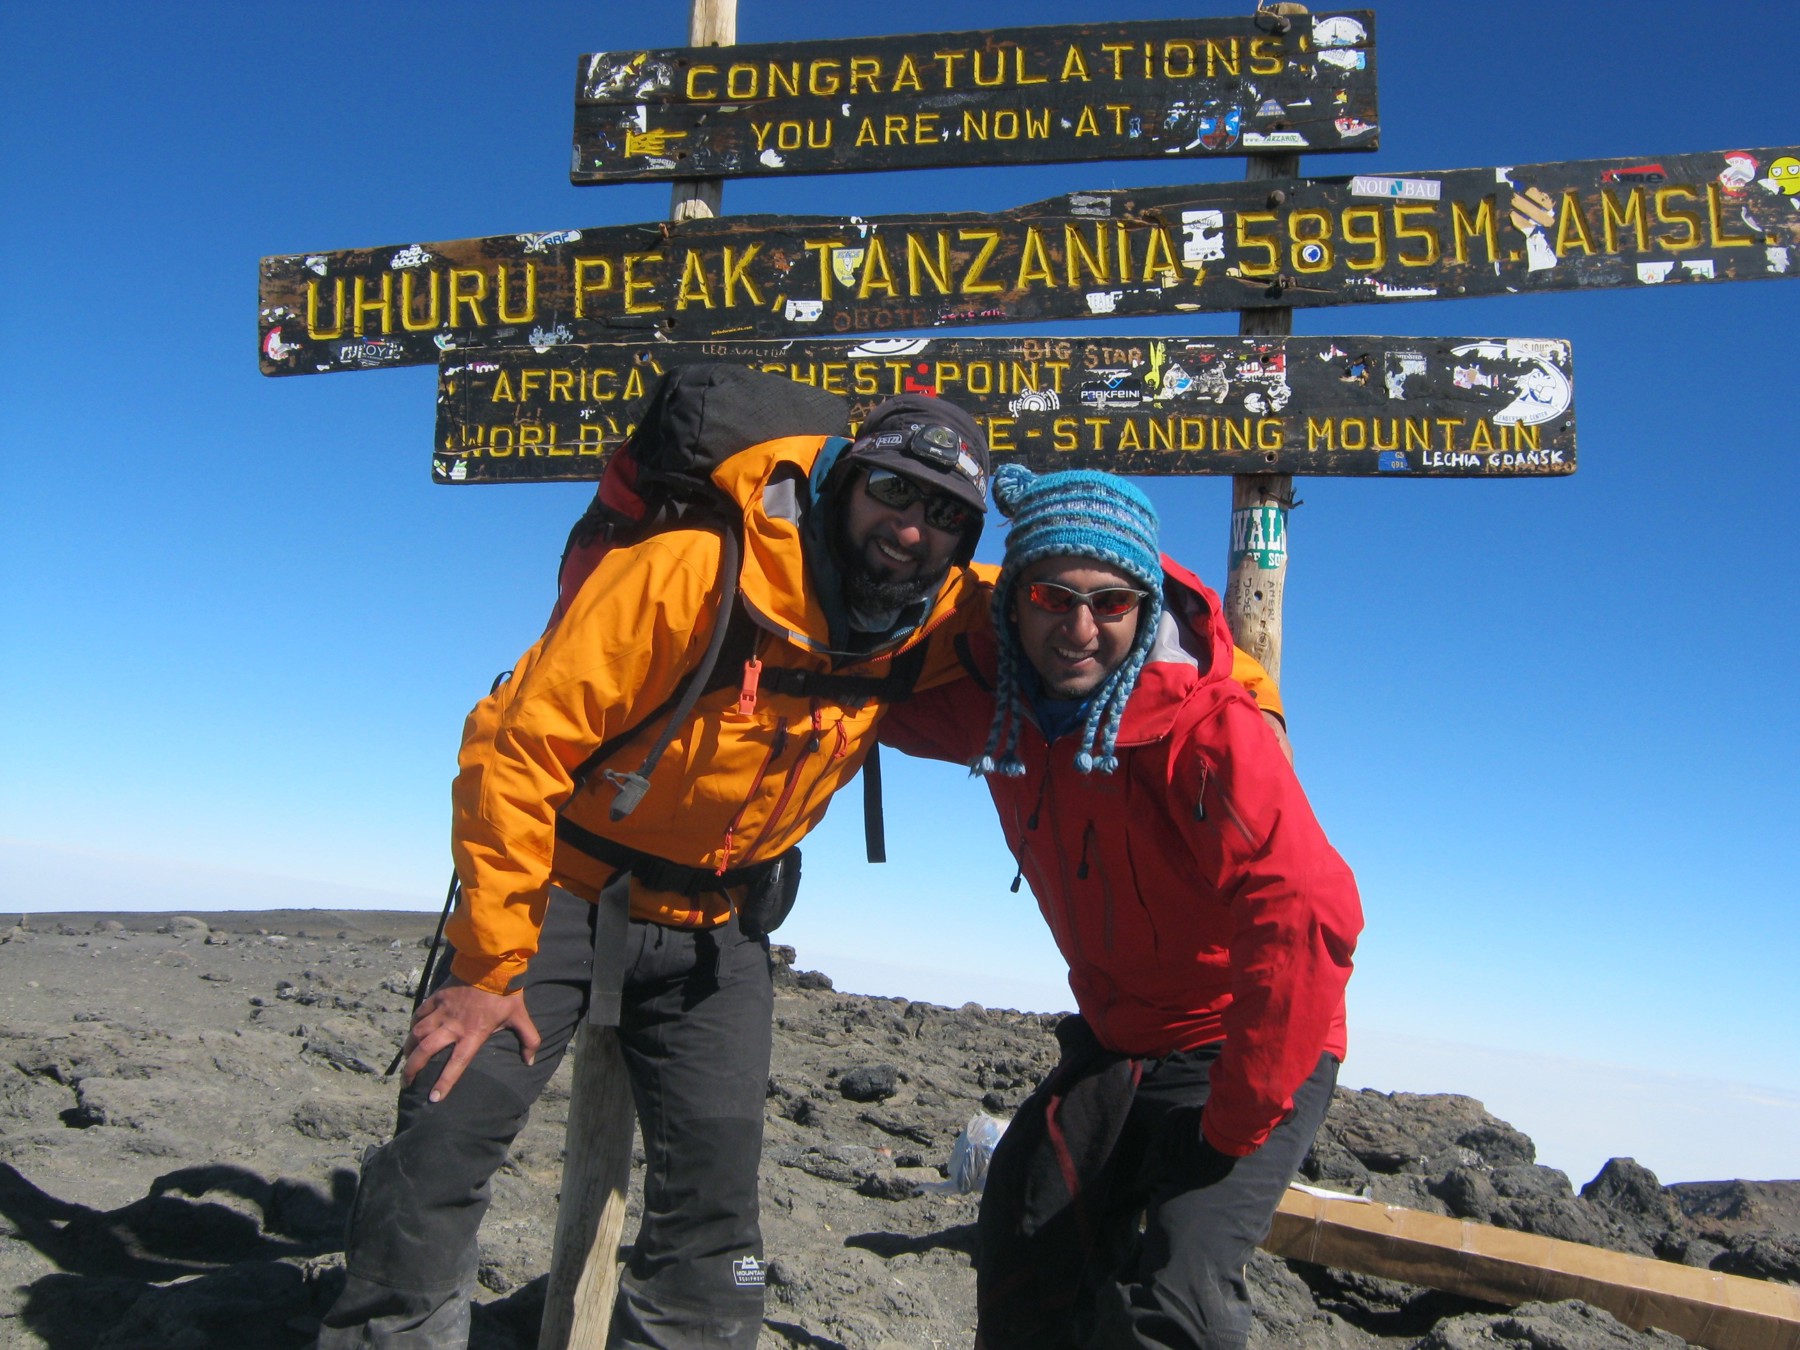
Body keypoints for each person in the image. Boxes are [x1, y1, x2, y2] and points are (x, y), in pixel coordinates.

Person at [316, 390, 993, 1349]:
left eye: (947, 515)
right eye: (892, 489)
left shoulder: (935, 614)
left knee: (720, 1218)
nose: (912, 527)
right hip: (560, 895)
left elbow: (1100, 604)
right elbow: (517, 752)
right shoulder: (691, 570)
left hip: (719, 934)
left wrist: (1256, 705)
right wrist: (486, 967)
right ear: (844, 477)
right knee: (440, 1144)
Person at [880, 465, 1363, 1350]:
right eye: (1051, 595)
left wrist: (1230, 1121)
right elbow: (853, 692)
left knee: (1178, 1295)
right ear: (1013, 604)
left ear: (1144, 609)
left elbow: (1304, 911)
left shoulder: (1207, 728)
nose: (1078, 628)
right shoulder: (1004, 714)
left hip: (1245, 1041)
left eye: (1109, 602)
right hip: (1121, 1037)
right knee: (1026, 1242)